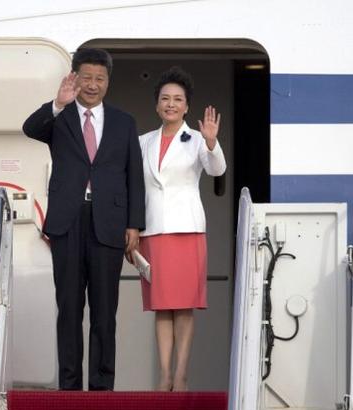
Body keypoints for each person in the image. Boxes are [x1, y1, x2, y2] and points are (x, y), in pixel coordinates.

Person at [23, 48, 145, 391]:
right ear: (75, 78)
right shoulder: (58, 117)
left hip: (109, 223)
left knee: (105, 312)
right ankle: (70, 386)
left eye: (99, 78)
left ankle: (103, 386)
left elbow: (133, 175)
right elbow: (29, 128)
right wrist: (58, 103)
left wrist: (134, 223)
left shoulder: (124, 121)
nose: (92, 85)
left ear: (108, 81)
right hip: (68, 222)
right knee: (69, 308)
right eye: (86, 78)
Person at [138, 67, 226, 391]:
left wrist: (213, 142)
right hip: (153, 230)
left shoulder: (197, 140)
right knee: (162, 306)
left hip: (186, 230)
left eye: (178, 100)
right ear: (157, 105)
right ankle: (164, 375)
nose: (171, 104)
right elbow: (137, 188)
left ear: (187, 106)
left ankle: (181, 374)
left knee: (183, 306)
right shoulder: (142, 142)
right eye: (165, 99)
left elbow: (217, 169)